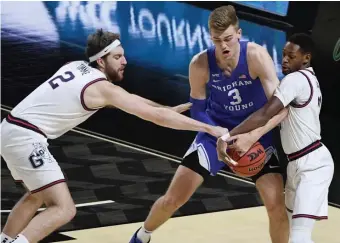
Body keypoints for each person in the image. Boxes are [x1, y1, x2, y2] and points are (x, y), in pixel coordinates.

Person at [0, 29, 228, 243]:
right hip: (26, 138)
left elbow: (125, 99)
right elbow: (149, 114)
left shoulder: (75, 66)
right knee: (64, 209)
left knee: (36, 194)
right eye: (118, 57)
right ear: (101, 60)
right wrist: (208, 128)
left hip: (9, 128)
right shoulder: (103, 89)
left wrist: (165, 109)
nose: (124, 62)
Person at [130, 5, 289, 243]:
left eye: (227, 39)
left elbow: (281, 108)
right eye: (217, 40)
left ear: (239, 33)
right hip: (215, 133)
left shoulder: (256, 56)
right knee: (173, 199)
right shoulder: (200, 64)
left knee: (276, 206)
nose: (223, 45)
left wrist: (251, 136)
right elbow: (198, 110)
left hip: (255, 136)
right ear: (210, 38)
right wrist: (216, 133)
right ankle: (142, 236)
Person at [217, 33, 334, 243]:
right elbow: (281, 114)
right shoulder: (309, 79)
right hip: (296, 163)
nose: (285, 60)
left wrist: (228, 136)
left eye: (291, 56)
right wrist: (252, 136)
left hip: (313, 165)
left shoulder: (296, 79)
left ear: (306, 58)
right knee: (292, 235)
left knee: (299, 236)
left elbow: (265, 113)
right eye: (283, 54)